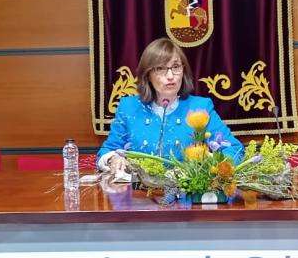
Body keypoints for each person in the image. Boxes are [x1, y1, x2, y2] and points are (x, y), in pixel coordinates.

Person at [97, 38, 243, 173]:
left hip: (186, 193)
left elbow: (235, 150)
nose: (171, 76)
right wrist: (113, 158)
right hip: (139, 194)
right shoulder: (128, 107)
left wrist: (212, 163)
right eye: (160, 69)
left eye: (176, 67)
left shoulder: (200, 107)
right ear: (147, 74)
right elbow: (107, 150)